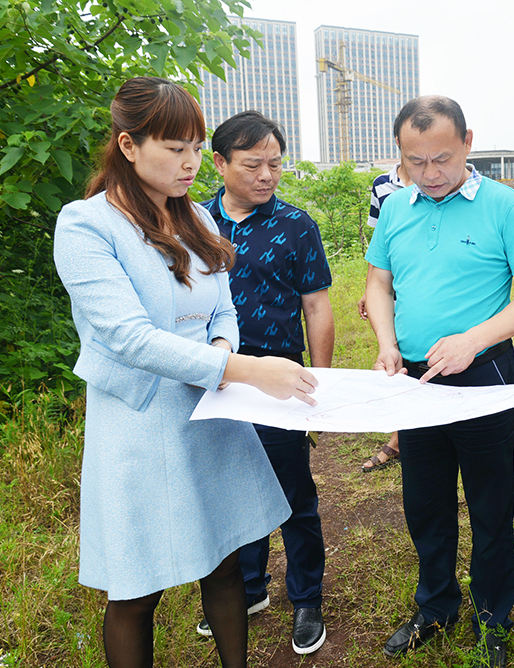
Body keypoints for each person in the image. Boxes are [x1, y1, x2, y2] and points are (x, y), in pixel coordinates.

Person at [53, 77, 318, 668]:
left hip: (209, 410)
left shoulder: (196, 216)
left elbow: (223, 309)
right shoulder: (86, 225)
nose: (191, 163)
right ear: (128, 146)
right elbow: (128, 337)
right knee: (136, 587)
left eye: (196, 148)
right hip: (140, 421)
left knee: (224, 560)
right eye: (176, 149)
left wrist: (222, 355)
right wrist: (241, 368)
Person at [364, 95, 514, 667]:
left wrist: (473, 339)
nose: (429, 173)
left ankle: (493, 614)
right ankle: (436, 605)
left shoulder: (504, 206)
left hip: (483, 373)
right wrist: (386, 343)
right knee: (424, 499)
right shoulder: (395, 208)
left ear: (468, 143)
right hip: (415, 379)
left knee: (489, 500)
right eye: (415, 162)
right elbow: (378, 283)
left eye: (442, 159)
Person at [196, 111, 332, 655]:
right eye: (253, 165)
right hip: (214, 378)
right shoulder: (192, 221)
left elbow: (317, 306)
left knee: (291, 493)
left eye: (274, 164)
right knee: (228, 488)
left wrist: (319, 383)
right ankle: (248, 588)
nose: (266, 175)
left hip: (279, 379)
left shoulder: (296, 225)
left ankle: (307, 598)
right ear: (219, 162)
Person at [358, 161, 413, 472]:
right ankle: (400, 434)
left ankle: (399, 438)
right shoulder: (382, 184)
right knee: (394, 357)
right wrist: (371, 288)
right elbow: (380, 243)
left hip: (419, 282)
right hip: (392, 280)